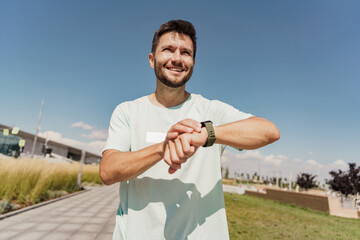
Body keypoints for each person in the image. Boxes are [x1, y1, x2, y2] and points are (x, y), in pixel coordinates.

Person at [100, 19, 280, 240]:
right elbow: (108, 172)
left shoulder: (210, 110)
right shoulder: (127, 111)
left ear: (193, 62)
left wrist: (206, 134)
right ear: (151, 59)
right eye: (168, 50)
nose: (177, 58)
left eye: (185, 53)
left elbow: (269, 131)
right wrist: (162, 148)